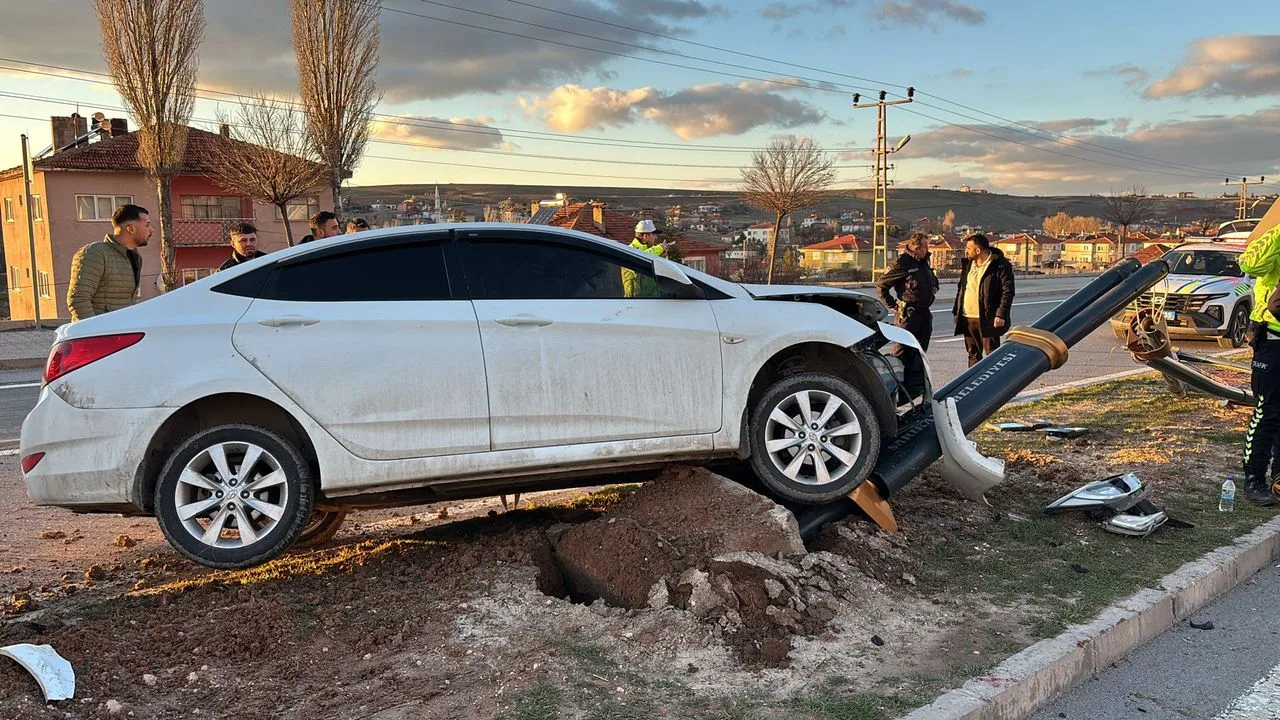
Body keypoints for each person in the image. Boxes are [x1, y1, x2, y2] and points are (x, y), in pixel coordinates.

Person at [1238, 222, 1280, 506]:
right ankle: (1254, 479)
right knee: (1268, 412)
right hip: (1273, 338)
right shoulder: (1274, 238)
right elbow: (1250, 263)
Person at [878, 232, 939, 398]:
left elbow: (932, 278)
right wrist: (892, 305)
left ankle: (916, 388)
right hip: (908, 315)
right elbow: (882, 285)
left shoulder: (924, 260)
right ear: (916, 247)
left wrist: (933, 288)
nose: (928, 249)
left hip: (924, 313)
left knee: (920, 352)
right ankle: (893, 391)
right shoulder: (902, 262)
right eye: (925, 246)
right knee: (901, 351)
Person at [67, 204, 150, 322]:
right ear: (130, 229)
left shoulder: (134, 256)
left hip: (120, 332)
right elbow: (78, 299)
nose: (151, 230)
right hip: (101, 335)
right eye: (147, 225)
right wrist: (96, 331)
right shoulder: (95, 253)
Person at [953, 233, 1015, 366]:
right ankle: (974, 384)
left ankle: (994, 385)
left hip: (988, 318)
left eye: (968, 248)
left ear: (978, 250)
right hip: (967, 317)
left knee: (992, 355)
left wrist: (1000, 314)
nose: (966, 251)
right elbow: (962, 289)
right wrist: (956, 311)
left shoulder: (1000, 265)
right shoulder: (969, 265)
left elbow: (1008, 292)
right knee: (973, 354)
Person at [623, 219, 666, 297]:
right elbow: (641, 258)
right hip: (636, 303)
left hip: (651, 300)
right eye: (654, 235)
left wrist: (663, 256)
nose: (656, 238)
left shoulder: (651, 251)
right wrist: (660, 248)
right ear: (646, 236)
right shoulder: (630, 250)